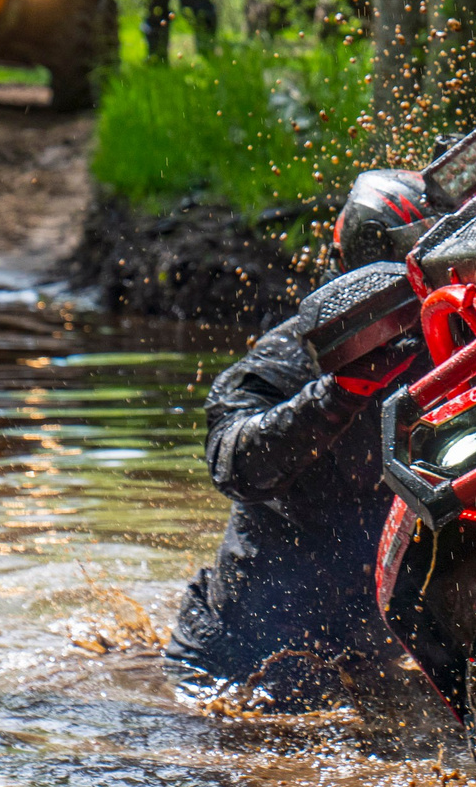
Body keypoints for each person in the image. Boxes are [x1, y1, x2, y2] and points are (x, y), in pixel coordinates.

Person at [166, 169, 437, 712]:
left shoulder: (455, 342)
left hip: (365, 658)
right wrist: (340, 393)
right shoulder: (293, 355)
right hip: (237, 665)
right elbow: (232, 461)